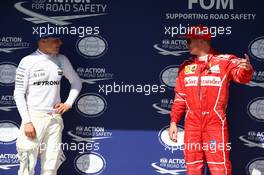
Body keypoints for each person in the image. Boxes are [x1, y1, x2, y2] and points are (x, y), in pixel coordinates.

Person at [168, 25, 253, 175]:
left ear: (201, 41)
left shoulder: (224, 61)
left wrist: (247, 69)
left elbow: (241, 77)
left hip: (214, 124)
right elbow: (180, 97)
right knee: (193, 168)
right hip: (192, 125)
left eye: (189, 40)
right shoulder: (185, 68)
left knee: (219, 168)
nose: (186, 44)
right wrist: (174, 121)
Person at [14, 34, 82, 175]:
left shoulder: (61, 60)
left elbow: (76, 82)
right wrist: (27, 121)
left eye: (60, 41)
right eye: (56, 41)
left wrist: (68, 103)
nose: (60, 43)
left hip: (54, 118)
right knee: (27, 165)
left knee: (51, 166)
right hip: (33, 118)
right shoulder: (27, 61)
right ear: (42, 41)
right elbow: (18, 93)